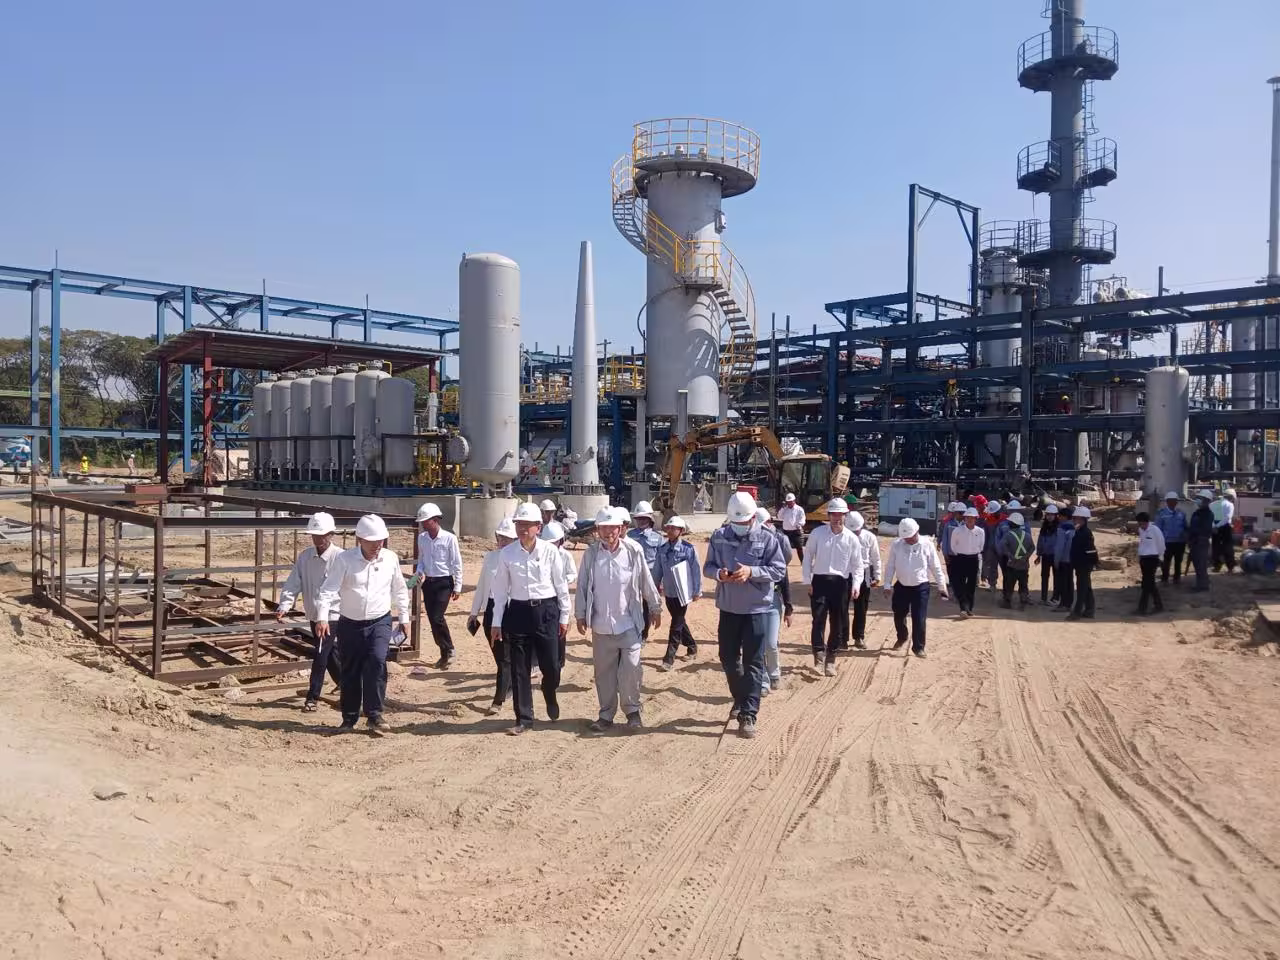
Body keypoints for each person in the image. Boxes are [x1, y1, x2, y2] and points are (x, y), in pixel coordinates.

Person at [315, 514, 412, 736]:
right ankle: (349, 718)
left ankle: (375, 715)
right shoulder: (345, 560)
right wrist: (322, 617)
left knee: (377, 661)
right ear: (360, 539)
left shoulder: (390, 558)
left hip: (380, 621)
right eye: (372, 541)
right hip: (350, 624)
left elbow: (399, 589)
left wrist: (404, 618)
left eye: (381, 540)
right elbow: (328, 590)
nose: (378, 545)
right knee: (350, 670)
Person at [703, 492, 786, 739]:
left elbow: (779, 570)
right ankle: (740, 698)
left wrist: (752, 572)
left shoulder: (768, 538)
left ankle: (748, 713)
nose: (740, 526)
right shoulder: (719, 537)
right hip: (729, 609)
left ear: (752, 518)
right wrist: (720, 575)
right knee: (728, 658)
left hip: (756, 610)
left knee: (754, 662)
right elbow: (708, 567)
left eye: (744, 522)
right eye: (735, 522)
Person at [575, 507, 661, 733]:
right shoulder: (591, 554)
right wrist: (580, 614)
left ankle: (632, 712)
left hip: (629, 623)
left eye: (612, 527)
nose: (608, 532)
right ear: (598, 529)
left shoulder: (633, 550)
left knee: (631, 668)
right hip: (601, 625)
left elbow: (645, 580)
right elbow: (582, 585)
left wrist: (655, 606)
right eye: (603, 528)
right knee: (604, 674)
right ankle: (606, 715)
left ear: (620, 528)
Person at [490, 502, 572, 735]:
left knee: (552, 665)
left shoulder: (550, 552)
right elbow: (500, 591)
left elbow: (561, 586)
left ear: (538, 527)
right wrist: (496, 622)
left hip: (546, 612)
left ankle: (549, 691)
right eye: (519, 525)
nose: (522, 529)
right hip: (518, 612)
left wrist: (564, 616)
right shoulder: (507, 554)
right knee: (520, 669)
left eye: (527, 525)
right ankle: (524, 719)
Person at [276, 512, 343, 712]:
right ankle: (346, 683)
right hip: (314, 613)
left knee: (321, 653)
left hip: (333, 614)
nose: (318, 539)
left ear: (331, 534)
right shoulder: (306, 557)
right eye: (314, 535)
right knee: (329, 652)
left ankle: (312, 697)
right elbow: (294, 581)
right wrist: (284, 605)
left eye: (322, 535)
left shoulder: (340, 557)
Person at [802, 498, 864, 676]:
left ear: (845, 516)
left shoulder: (851, 539)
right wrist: (808, 581)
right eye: (834, 514)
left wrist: (856, 584)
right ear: (828, 515)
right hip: (819, 582)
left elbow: (857, 565)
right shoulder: (817, 534)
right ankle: (818, 655)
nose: (837, 518)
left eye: (840, 515)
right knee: (818, 620)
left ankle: (831, 659)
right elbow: (808, 557)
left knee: (837, 622)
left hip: (840, 584)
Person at [469, 518, 518, 714]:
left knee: (505, 658)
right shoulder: (490, 557)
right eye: (501, 537)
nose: (503, 541)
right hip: (491, 608)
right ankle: (510, 682)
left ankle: (498, 701)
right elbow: (482, 585)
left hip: (510, 609)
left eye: (507, 538)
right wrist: (474, 612)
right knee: (500, 656)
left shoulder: (519, 559)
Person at [883, 518, 948, 657]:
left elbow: (935, 566)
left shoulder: (927, 544)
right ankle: (902, 636)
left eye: (910, 537)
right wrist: (887, 584)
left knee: (919, 617)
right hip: (901, 586)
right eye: (905, 537)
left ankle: (918, 647)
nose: (908, 540)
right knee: (899, 614)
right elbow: (890, 566)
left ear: (917, 531)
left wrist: (942, 586)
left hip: (921, 587)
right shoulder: (897, 545)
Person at [414, 502, 463, 670]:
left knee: (437, 617)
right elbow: (421, 560)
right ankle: (444, 654)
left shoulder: (449, 538)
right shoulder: (422, 538)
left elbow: (457, 563)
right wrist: (419, 572)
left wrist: (458, 586)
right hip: (429, 583)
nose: (423, 524)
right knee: (432, 619)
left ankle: (449, 649)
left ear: (435, 520)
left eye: (425, 521)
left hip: (444, 583)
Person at [654, 515, 700, 670]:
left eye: (674, 528)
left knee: (675, 624)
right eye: (668, 528)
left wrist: (696, 591)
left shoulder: (688, 549)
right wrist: (655, 586)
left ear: (681, 531)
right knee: (678, 620)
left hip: (683, 593)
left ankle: (669, 659)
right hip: (669, 592)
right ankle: (692, 646)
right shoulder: (662, 549)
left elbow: (695, 571)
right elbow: (657, 570)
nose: (670, 530)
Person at [756, 507, 794, 692]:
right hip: (754, 601)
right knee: (758, 643)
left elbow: (784, 578)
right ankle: (763, 681)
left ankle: (774, 673)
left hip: (773, 600)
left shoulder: (777, 547)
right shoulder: (749, 550)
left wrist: (789, 607)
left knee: (771, 643)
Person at [540, 520, 577, 669]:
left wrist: (562, 580)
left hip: (560, 597)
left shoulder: (565, 555)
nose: (551, 545)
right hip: (545, 597)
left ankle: (560, 661)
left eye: (554, 542)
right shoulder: (540, 554)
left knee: (560, 629)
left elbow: (573, 574)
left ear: (560, 541)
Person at [627, 500, 665, 642]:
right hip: (632, 577)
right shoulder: (629, 536)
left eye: (644, 518)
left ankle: (643, 635)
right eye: (638, 518)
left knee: (647, 607)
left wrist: (661, 582)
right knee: (631, 605)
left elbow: (662, 562)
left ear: (650, 519)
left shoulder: (658, 538)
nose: (641, 521)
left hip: (650, 578)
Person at [846, 510, 881, 646]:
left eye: (857, 530)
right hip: (845, 574)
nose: (855, 533)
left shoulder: (870, 537)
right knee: (841, 607)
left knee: (861, 607)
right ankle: (842, 638)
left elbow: (876, 558)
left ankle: (858, 636)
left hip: (864, 574)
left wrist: (877, 575)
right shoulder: (843, 536)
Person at [948, 506, 984, 617]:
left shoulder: (980, 531)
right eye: (968, 517)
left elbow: (981, 546)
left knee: (971, 584)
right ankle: (963, 607)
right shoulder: (957, 531)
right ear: (964, 518)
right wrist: (960, 554)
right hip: (960, 558)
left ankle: (969, 608)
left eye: (972, 518)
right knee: (960, 584)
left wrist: (973, 552)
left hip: (973, 559)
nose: (970, 520)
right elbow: (953, 545)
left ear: (976, 519)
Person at [1066, 506, 1099, 620]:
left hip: (1084, 564)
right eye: (1074, 518)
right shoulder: (1078, 531)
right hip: (1079, 564)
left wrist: (1095, 562)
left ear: (1084, 520)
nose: (1075, 520)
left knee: (1082, 588)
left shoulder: (1085, 533)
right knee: (1086, 587)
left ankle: (1077, 612)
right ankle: (1089, 610)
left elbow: (1091, 550)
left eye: (1077, 518)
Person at [998, 512, 1034, 610]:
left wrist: (1010, 556)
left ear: (1012, 523)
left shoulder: (1008, 535)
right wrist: (1025, 557)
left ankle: (1007, 603)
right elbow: (1032, 547)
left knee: (1009, 584)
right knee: (1023, 584)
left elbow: (1002, 547)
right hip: (1024, 565)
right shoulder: (1027, 535)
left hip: (1012, 564)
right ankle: (1023, 602)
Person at [1135, 511, 1166, 616]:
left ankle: (1142, 608)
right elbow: (1142, 543)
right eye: (1139, 523)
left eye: (1142, 523)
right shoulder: (1141, 530)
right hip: (1143, 559)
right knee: (1150, 584)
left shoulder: (1155, 530)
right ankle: (1159, 605)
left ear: (1146, 522)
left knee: (1147, 584)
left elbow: (1161, 545)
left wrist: (1160, 558)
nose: (1140, 526)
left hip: (1152, 558)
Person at [1155, 492, 1188, 585]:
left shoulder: (1181, 513)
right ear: (1167, 502)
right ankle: (1165, 578)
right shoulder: (1161, 513)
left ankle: (1177, 578)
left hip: (1180, 542)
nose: (1173, 503)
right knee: (1166, 561)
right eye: (1171, 501)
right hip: (1167, 542)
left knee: (1178, 561)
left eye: (1175, 501)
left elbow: (1185, 527)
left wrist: (1186, 536)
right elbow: (1158, 529)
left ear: (1177, 502)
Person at [1188, 491, 1214, 592]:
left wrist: (1195, 533)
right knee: (1197, 563)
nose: (1198, 500)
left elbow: (1205, 529)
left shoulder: (1208, 514)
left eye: (1201, 498)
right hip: (1195, 541)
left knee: (1201, 564)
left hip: (1201, 541)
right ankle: (1202, 583)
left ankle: (1202, 585)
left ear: (1206, 501)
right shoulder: (1197, 512)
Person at [1034, 505, 1059, 604]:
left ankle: (1055, 597)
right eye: (1048, 514)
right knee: (1044, 576)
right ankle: (1043, 598)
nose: (1050, 516)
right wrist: (1038, 555)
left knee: (1057, 577)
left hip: (1055, 556)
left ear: (1056, 515)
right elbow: (1040, 541)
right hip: (1045, 556)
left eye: (1052, 515)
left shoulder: (1059, 527)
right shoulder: (1044, 527)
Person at [1053, 506, 1076, 611]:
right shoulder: (1074, 527)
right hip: (1071, 559)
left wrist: (1056, 560)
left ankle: (1063, 604)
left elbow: (1059, 546)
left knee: (1062, 583)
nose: (1058, 518)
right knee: (1069, 582)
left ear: (1065, 517)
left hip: (1063, 559)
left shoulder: (1062, 528)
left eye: (1060, 516)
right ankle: (1068, 604)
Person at [1211, 489, 1237, 573]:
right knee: (1228, 547)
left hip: (1214, 528)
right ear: (1231, 497)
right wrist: (1218, 526)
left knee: (1215, 547)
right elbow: (1227, 518)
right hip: (1225, 527)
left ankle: (1217, 566)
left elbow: (1210, 517)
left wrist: (1214, 526)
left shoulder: (1212, 504)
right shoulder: (1230, 505)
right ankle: (1231, 567)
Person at [980, 501, 1003, 591]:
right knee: (992, 566)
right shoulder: (987, 521)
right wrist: (984, 548)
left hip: (1003, 548)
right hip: (991, 547)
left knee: (1006, 568)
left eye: (996, 512)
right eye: (993, 512)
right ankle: (992, 585)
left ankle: (1008, 587)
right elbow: (986, 535)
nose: (995, 514)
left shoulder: (1005, 520)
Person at [777, 492, 807, 559]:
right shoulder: (785, 509)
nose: (789, 503)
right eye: (788, 502)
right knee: (784, 548)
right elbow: (779, 517)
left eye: (790, 502)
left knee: (799, 548)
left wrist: (799, 524)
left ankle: (803, 562)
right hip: (786, 532)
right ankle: (783, 562)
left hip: (796, 532)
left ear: (794, 501)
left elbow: (802, 519)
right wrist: (782, 509)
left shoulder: (799, 509)